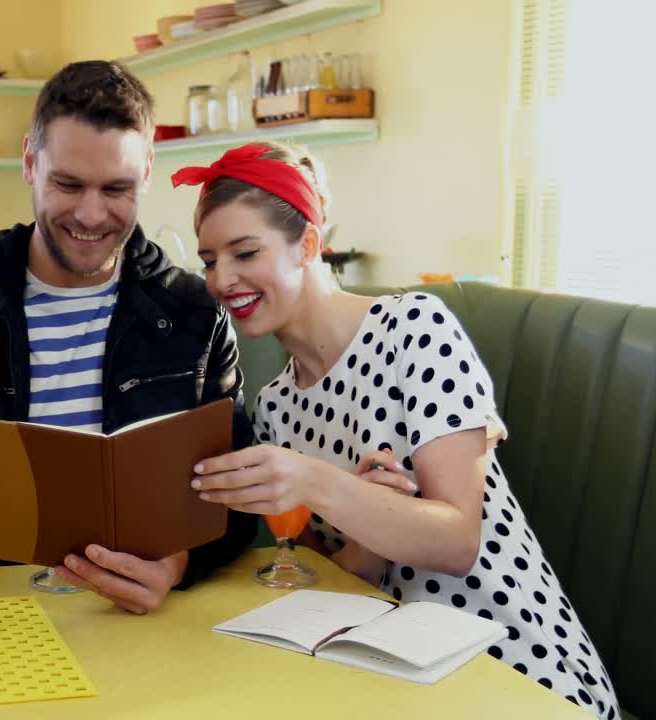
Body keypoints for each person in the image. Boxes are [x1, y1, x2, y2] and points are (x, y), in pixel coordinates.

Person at [180, 142, 620, 717]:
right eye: (210, 260)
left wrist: (318, 483)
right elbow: (339, 583)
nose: (222, 279)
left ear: (309, 244)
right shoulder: (275, 406)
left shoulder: (414, 328)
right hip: (391, 678)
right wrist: (365, 534)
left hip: (510, 668)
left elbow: (458, 541)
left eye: (245, 253)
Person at [0, 61, 256, 615]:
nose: (90, 214)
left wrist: (178, 564)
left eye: (116, 188)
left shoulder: (197, 313)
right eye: (67, 183)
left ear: (148, 171)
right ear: (30, 161)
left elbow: (241, 499)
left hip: (132, 622)